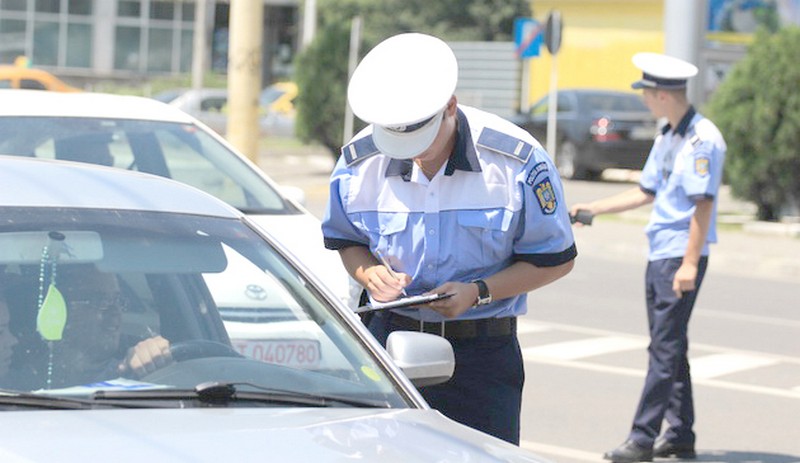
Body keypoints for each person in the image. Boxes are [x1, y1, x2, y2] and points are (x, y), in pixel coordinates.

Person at [321, 32, 577, 445]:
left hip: (480, 355)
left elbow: (555, 259)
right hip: (389, 345)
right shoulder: (359, 162)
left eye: (420, 141)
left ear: (450, 108)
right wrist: (369, 275)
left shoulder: (517, 162)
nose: (412, 155)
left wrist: (479, 291)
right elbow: (346, 241)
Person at [570, 53, 727, 462]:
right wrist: (594, 207)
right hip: (662, 252)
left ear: (661, 95)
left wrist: (690, 263)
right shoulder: (669, 134)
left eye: (646, 94)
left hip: (679, 256)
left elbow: (702, 206)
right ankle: (680, 434)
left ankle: (642, 439)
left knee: (663, 348)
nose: (643, 101)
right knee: (671, 347)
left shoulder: (701, 139)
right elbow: (647, 191)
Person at [37, 264, 173, 388]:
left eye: (117, 300)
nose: (115, 312)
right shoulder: (27, 372)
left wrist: (157, 355)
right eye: (100, 301)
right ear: (63, 308)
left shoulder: (135, 359)